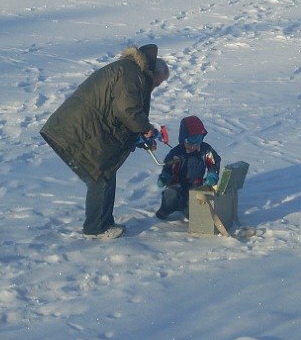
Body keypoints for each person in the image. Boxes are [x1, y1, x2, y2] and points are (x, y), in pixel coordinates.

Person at [40, 44, 169, 239]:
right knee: (101, 173)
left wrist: (139, 136)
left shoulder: (130, 70)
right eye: (158, 83)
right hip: (80, 127)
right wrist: (146, 128)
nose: (156, 86)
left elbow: (120, 112)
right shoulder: (132, 74)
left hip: (85, 127)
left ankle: (102, 223)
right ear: (154, 74)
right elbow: (128, 110)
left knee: (104, 171)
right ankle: (97, 228)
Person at [155, 115, 221, 220]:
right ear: (183, 139)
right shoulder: (176, 153)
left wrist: (212, 174)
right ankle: (165, 209)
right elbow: (168, 168)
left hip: (196, 187)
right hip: (178, 187)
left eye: (198, 141)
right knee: (170, 196)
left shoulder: (205, 150)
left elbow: (213, 162)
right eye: (190, 142)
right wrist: (165, 177)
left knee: (195, 208)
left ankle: (190, 211)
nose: (194, 146)